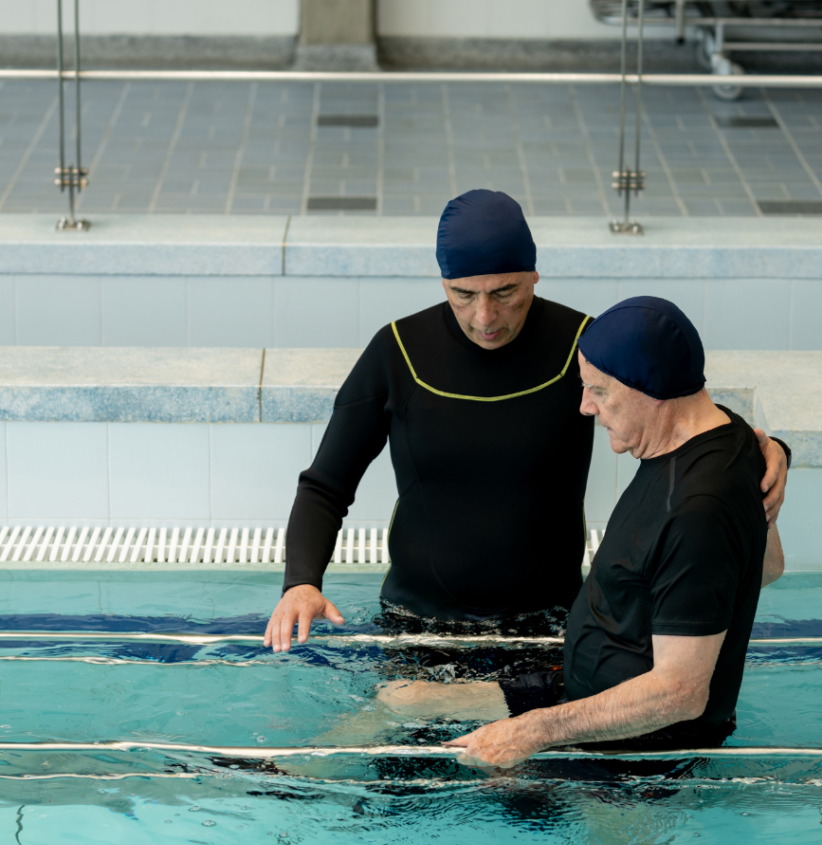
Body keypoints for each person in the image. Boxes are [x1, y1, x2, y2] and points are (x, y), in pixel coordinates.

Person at [264, 190, 790, 652]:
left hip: (552, 624)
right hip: (418, 622)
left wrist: (766, 450)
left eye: (506, 292)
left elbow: (681, 410)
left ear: (534, 275)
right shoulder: (397, 351)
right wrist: (301, 581)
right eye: (463, 295)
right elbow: (325, 486)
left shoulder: (582, 346)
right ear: (443, 280)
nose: (485, 317)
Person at [374, 295, 784, 765]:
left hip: (635, 748)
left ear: (650, 391)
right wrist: (771, 474)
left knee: (469, 789)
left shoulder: (697, 510)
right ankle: (286, 769)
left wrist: (532, 731)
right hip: (580, 692)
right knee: (399, 699)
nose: (586, 407)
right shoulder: (728, 434)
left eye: (600, 391)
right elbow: (767, 567)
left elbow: (680, 695)